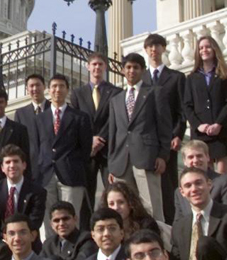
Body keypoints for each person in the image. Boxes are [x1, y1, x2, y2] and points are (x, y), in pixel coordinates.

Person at [107, 53, 170, 223]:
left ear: (142, 70)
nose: (131, 71)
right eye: (128, 67)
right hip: (121, 161)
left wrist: (163, 155)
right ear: (122, 70)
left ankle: (158, 242)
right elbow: (113, 133)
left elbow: (164, 126)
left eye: (135, 67)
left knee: (152, 207)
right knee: (123, 208)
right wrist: (112, 163)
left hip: (147, 157)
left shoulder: (154, 92)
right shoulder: (116, 99)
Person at [37, 74, 92, 237]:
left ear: (67, 89)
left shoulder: (79, 117)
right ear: (48, 91)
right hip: (46, 176)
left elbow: (85, 149)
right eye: (54, 86)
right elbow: (36, 148)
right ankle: (52, 257)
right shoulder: (40, 118)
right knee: (50, 223)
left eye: (61, 86)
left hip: (71, 175)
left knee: (71, 220)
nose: (57, 90)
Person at [69, 52, 122, 212]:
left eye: (100, 64)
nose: (97, 67)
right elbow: (76, 120)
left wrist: (100, 139)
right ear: (88, 67)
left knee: (113, 191)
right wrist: (90, 140)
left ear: (105, 67)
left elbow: (114, 119)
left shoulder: (116, 92)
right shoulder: (78, 94)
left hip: (109, 151)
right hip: (87, 152)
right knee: (87, 194)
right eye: (94, 64)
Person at [143, 34, 186, 224]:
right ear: (146, 50)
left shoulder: (176, 77)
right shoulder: (140, 78)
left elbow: (181, 110)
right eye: (150, 47)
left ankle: (171, 225)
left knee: (168, 187)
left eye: (157, 46)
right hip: (145, 142)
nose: (154, 50)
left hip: (168, 141)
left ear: (163, 49)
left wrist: (177, 134)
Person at [184, 36, 227, 175]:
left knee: (223, 176)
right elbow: (187, 105)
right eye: (201, 48)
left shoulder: (226, 74)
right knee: (205, 175)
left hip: (221, 132)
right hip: (201, 133)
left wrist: (219, 124)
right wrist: (198, 125)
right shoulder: (191, 78)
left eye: (207, 46)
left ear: (214, 49)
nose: (204, 50)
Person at [0, 144, 46, 239]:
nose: (12, 165)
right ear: (2, 168)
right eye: (8, 162)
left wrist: (15, 238)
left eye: (16, 161)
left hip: (27, 242)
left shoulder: (37, 191)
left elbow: (34, 222)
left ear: (24, 165)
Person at [172, 141, 227, 220]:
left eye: (199, 156)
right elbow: (179, 223)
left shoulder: (224, 182)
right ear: (184, 161)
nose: (195, 160)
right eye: (190, 157)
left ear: (207, 157)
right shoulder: (180, 192)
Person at [13, 73, 50, 184]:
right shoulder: (20, 114)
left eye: (38, 85)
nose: (35, 89)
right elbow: (17, 143)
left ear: (44, 87)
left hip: (52, 169)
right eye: (31, 86)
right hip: (30, 169)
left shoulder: (53, 110)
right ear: (27, 90)